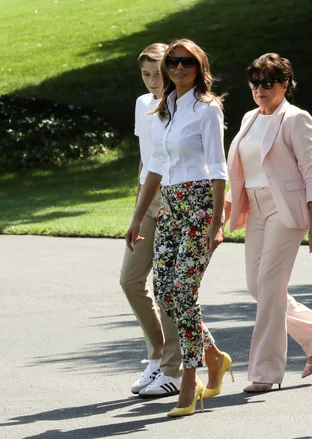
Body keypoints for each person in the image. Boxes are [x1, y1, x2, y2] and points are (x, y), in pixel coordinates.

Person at [125, 39, 233, 417]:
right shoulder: (162, 110)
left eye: (187, 61)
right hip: (170, 205)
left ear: (199, 66)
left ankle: (191, 378)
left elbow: (219, 169)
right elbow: (154, 166)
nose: (179, 67)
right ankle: (214, 356)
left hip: (201, 203)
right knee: (166, 294)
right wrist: (138, 217)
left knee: (183, 290)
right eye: (174, 61)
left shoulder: (207, 109)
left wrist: (217, 223)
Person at [224, 53, 312, 393]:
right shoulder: (249, 119)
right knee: (258, 288)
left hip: (285, 210)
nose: (259, 89)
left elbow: (311, 173)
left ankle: (265, 372)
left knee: (270, 287)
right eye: (255, 82)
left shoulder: (296, 119)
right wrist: (225, 210)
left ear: (285, 85)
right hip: (254, 208)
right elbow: (240, 173)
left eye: (267, 83)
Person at [119, 42, 183, 399]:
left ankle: (172, 367)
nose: (151, 81)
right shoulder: (143, 104)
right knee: (130, 279)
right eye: (144, 74)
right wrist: (137, 206)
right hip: (149, 195)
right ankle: (158, 354)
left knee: (169, 287)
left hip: (178, 196)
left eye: (156, 74)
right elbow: (145, 160)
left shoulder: (183, 106)